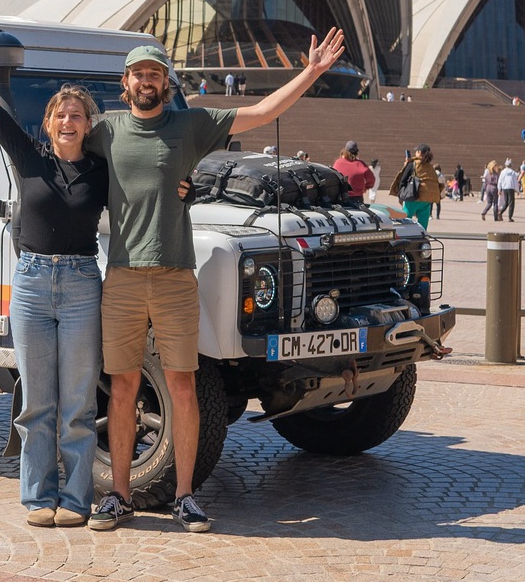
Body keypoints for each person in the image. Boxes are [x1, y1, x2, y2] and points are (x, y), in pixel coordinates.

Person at [86, 28, 346, 533]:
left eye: (155, 74)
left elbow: (261, 113)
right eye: (139, 74)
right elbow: (60, 139)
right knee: (122, 388)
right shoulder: (108, 130)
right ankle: (118, 496)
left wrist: (310, 72)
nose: (146, 81)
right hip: (120, 278)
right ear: (125, 83)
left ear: (166, 82)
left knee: (183, 386)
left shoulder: (191, 124)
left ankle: (184, 495)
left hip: (176, 277)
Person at [0, 19, 113, 527]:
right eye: (61, 115)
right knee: (37, 402)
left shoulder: (101, 173)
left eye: (77, 115)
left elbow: (146, 181)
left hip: (80, 286)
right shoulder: (28, 158)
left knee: (77, 404)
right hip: (31, 286)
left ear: (87, 124)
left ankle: (76, 501)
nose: (69, 121)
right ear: (50, 123)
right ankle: (38, 498)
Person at [390, 143, 441, 230]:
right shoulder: (430, 167)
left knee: (405, 221)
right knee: (423, 225)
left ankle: (405, 237)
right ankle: (421, 239)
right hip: (426, 199)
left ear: (419, 152)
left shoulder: (413, 164)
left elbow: (403, 179)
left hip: (413, 197)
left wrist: (400, 195)